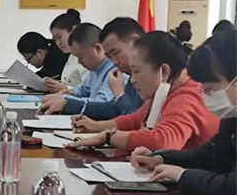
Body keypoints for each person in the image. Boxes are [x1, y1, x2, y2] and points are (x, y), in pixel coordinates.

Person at [67, 31, 219, 153]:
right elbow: (136, 119)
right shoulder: (166, 89)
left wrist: (109, 136)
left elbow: (163, 141)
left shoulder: (186, 96)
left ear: (164, 71)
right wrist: (95, 126)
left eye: (136, 71)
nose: (132, 80)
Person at [130, 30, 236, 195]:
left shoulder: (186, 97)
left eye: (211, 89)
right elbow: (210, 155)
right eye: (203, 89)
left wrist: (182, 175)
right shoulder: (232, 117)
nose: (206, 96)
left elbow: (232, 188)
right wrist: (160, 158)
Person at [54, 17, 146, 120]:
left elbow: (140, 119)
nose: (114, 61)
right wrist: (67, 102)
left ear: (135, 41)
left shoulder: (151, 74)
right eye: (109, 56)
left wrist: (119, 94)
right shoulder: (131, 74)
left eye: (116, 53)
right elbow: (113, 109)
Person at [38, 23, 121, 114]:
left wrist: (66, 102)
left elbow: (104, 103)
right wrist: (64, 94)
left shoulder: (115, 70)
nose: (79, 62)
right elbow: (81, 90)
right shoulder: (95, 70)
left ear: (97, 48)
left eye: (81, 57)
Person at [44, 9, 89, 93]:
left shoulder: (88, 57)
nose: (58, 43)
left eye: (59, 37)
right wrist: (54, 84)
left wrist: (65, 88)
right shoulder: (71, 56)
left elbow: (89, 91)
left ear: (73, 30)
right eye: (55, 39)